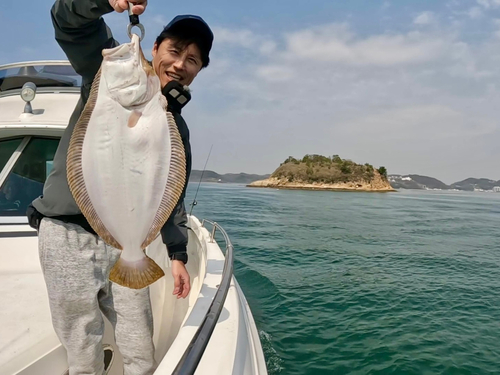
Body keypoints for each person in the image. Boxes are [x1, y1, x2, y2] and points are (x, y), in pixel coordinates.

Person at [26, 0, 213, 374]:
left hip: (128, 245)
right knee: (81, 346)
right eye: (175, 50)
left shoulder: (176, 126)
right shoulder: (106, 75)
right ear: (155, 47)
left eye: (192, 60)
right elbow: (69, 24)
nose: (180, 64)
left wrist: (178, 254)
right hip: (67, 231)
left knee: (140, 346)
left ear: (198, 71)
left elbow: (169, 194)